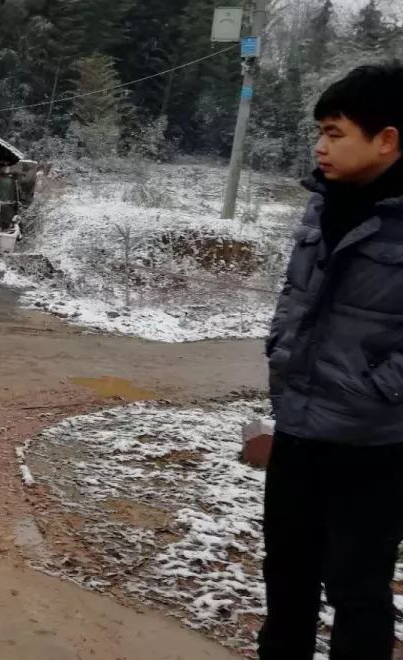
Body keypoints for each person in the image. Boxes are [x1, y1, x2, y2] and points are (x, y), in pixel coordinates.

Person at [262, 63, 403, 659]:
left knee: (356, 588)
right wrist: (283, 354)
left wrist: (374, 389)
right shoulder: (322, 205)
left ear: (387, 139)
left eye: (335, 132)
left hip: (374, 446)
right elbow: (298, 301)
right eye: (318, 132)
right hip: (299, 430)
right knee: (286, 573)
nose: (319, 146)